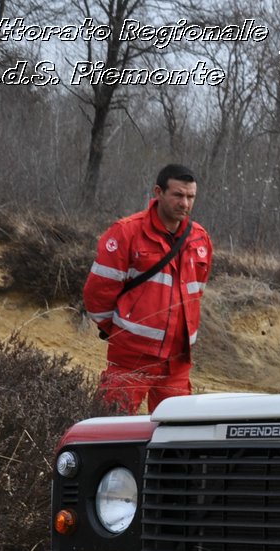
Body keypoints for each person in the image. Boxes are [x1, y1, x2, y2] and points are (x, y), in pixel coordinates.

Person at [83, 163, 213, 413]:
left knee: (177, 437)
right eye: (178, 195)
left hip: (177, 362)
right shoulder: (127, 232)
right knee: (110, 430)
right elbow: (97, 294)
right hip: (130, 359)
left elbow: (196, 294)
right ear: (158, 192)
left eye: (190, 197)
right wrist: (123, 332)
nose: (184, 203)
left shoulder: (200, 239)